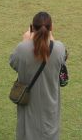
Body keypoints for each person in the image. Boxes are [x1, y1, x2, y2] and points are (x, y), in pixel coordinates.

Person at [9, 12, 67, 140]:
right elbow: (62, 60)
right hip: (50, 109)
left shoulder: (22, 49)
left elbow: (13, 63)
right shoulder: (59, 48)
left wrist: (25, 41)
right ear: (51, 27)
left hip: (28, 107)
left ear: (32, 28)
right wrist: (50, 38)